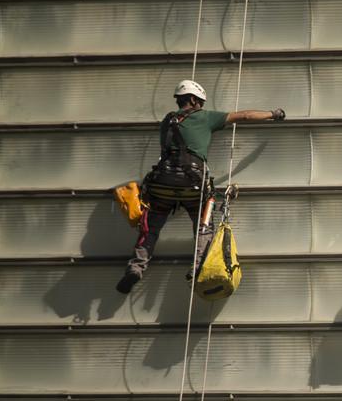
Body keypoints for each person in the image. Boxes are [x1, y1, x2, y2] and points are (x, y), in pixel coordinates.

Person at [116, 80, 285, 294]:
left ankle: (136, 267)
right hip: (191, 184)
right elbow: (243, 116)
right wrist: (273, 114)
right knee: (203, 226)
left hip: (162, 183)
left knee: (149, 228)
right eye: (201, 103)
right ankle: (197, 270)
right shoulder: (204, 117)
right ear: (194, 100)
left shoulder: (167, 121)